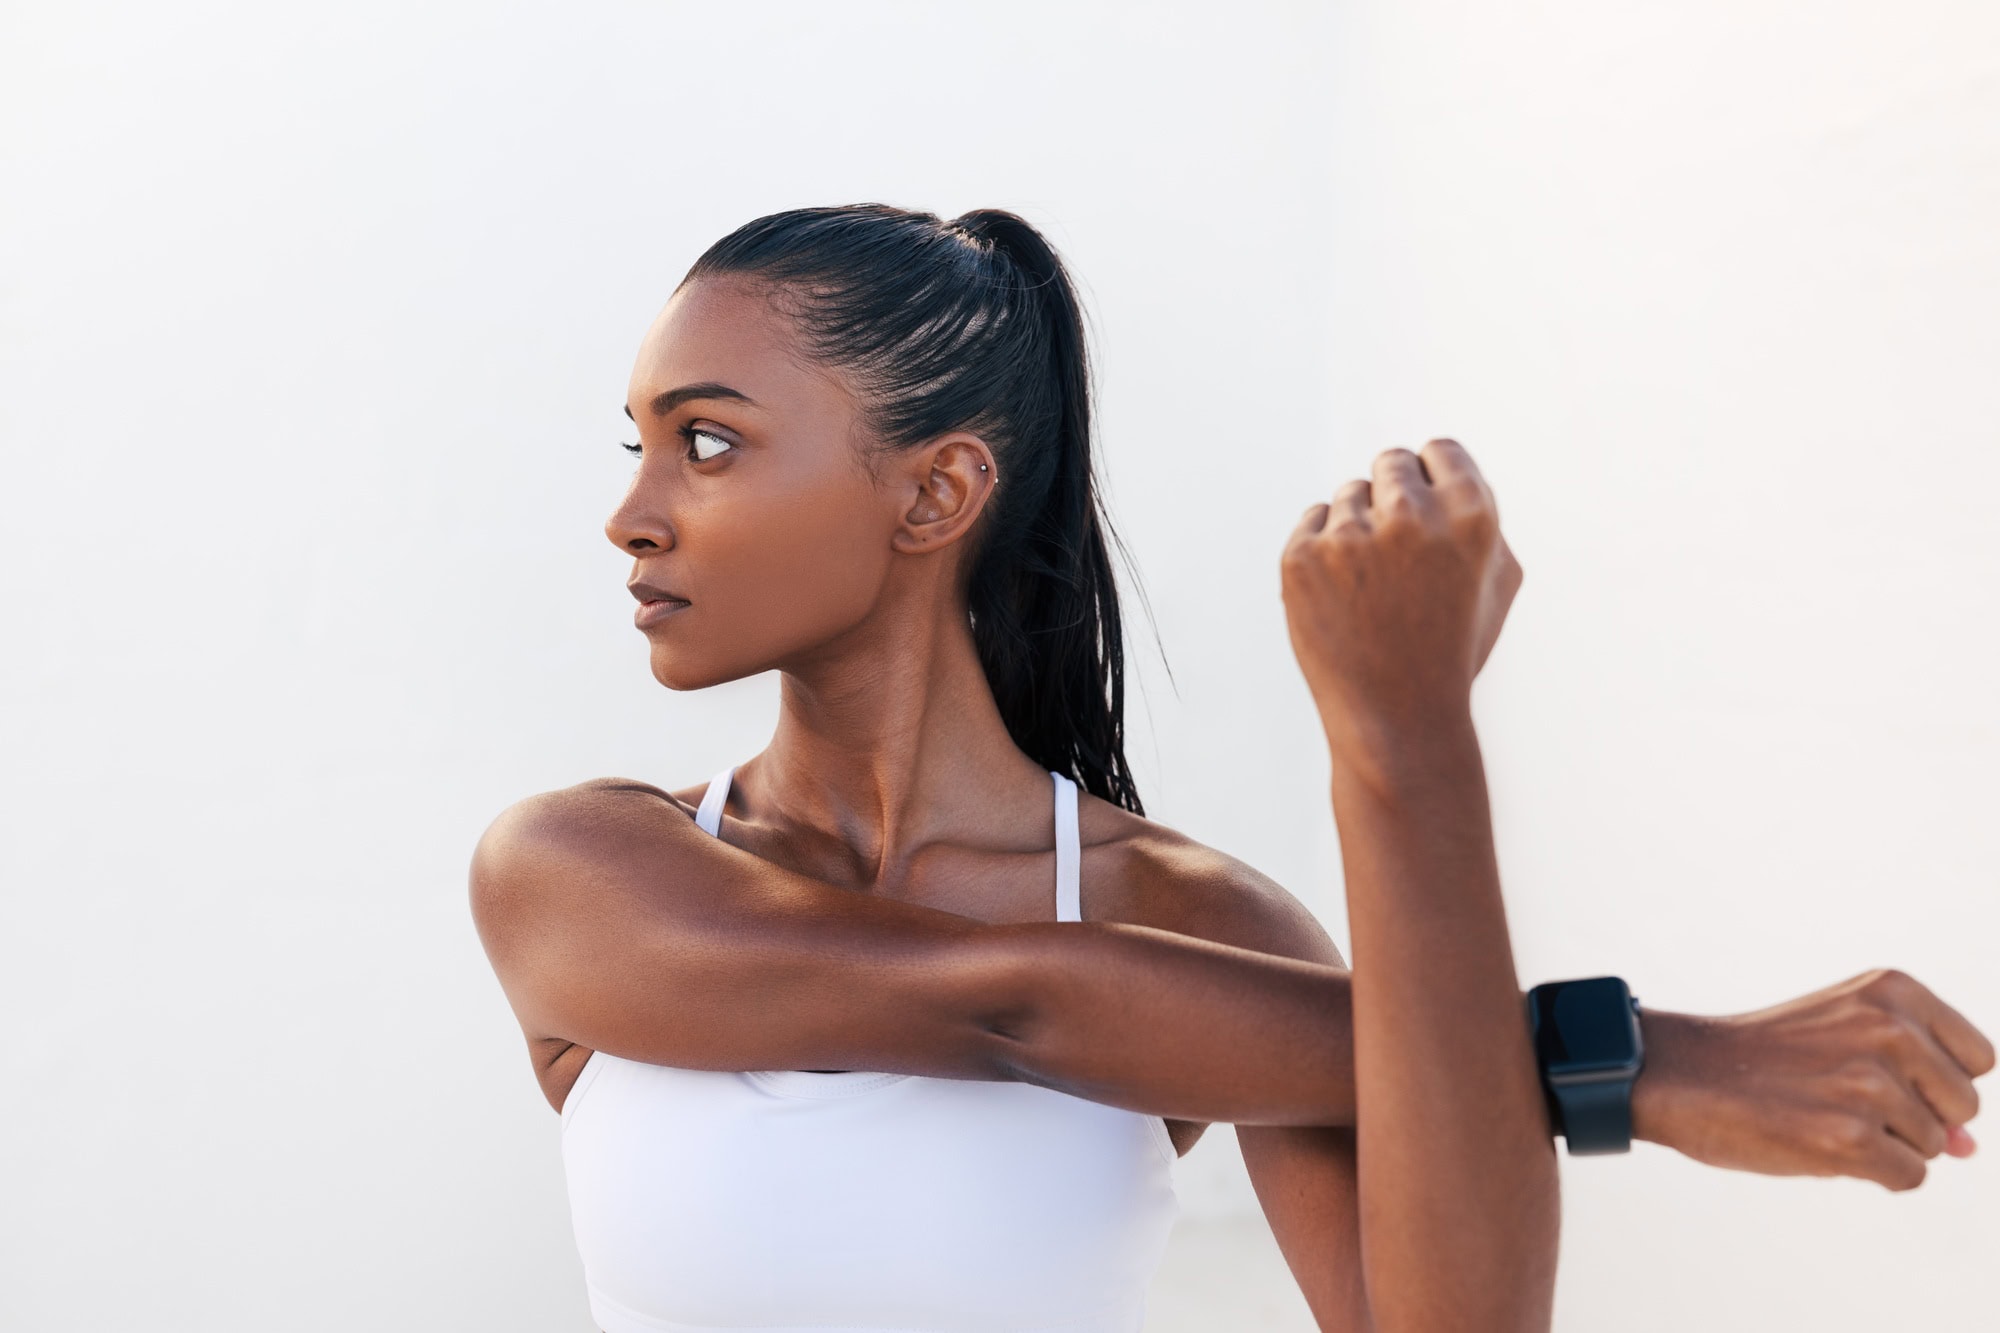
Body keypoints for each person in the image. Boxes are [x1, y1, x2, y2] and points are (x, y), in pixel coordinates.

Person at [469, 204, 1994, 1333]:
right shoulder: (577, 873)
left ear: (937, 492)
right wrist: (1644, 1062)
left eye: (710, 441)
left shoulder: (1210, 930)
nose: (636, 514)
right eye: (641, 446)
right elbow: (1005, 1005)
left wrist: (1404, 737)